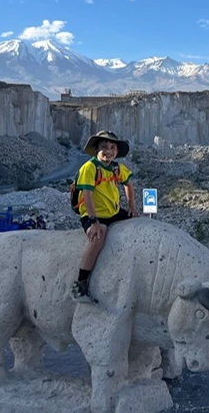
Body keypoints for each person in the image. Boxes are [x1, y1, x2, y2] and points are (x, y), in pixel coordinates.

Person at [71, 130, 138, 303]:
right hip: (93, 214)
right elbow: (87, 195)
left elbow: (129, 184)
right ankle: (81, 283)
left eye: (112, 147)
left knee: (139, 225)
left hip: (113, 212)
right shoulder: (90, 168)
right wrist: (93, 221)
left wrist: (131, 207)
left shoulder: (117, 168)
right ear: (96, 150)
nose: (108, 151)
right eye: (104, 147)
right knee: (97, 239)